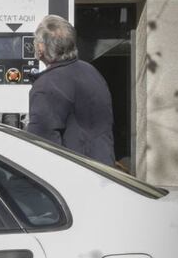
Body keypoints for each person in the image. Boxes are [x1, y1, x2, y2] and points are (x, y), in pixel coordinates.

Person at [27, 15, 115, 166]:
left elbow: (42, 149)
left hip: (75, 177)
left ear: (41, 48)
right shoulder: (90, 70)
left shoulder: (46, 86)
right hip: (104, 170)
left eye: (36, 41)